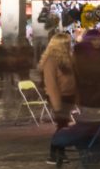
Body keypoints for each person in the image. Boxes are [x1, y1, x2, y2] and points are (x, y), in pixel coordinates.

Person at [40, 33, 76, 164]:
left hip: (68, 96)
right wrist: (56, 104)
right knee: (61, 126)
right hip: (59, 97)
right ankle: (53, 153)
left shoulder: (67, 59)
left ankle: (61, 153)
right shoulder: (51, 61)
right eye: (65, 43)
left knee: (64, 125)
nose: (68, 45)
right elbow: (51, 84)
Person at [72, 29, 100, 113]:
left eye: (99, 39)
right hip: (86, 89)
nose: (97, 42)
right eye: (94, 39)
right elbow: (77, 72)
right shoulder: (81, 53)